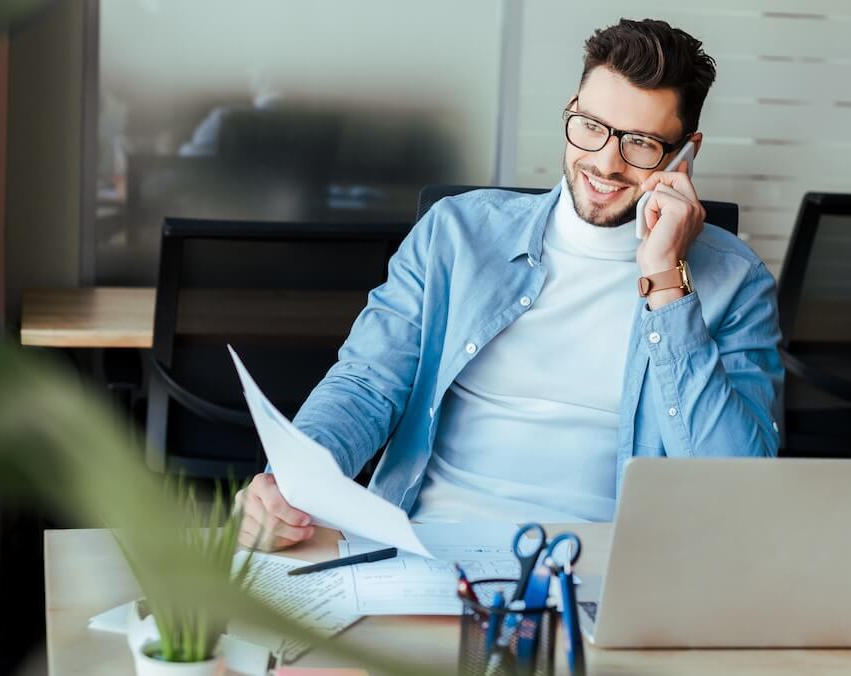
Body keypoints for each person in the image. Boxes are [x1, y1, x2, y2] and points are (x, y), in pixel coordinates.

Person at [236, 18, 783, 550]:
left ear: (686, 152)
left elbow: (735, 489)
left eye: (639, 142)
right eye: (591, 126)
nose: (605, 162)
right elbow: (366, 384)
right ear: (571, 111)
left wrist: (666, 282)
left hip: (610, 573)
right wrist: (290, 485)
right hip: (425, 552)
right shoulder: (456, 233)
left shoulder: (736, 282)